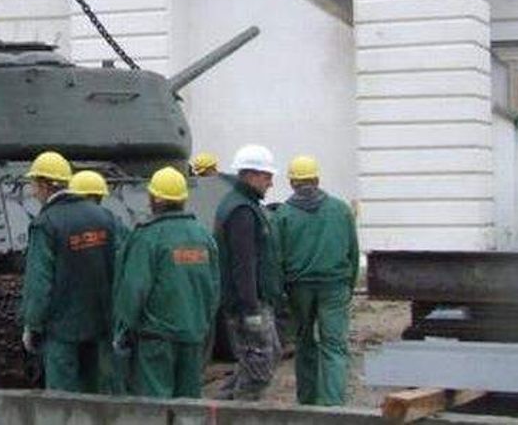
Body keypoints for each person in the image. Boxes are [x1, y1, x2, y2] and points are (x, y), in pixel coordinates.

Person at [113, 167, 220, 398]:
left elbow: (135, 289)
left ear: (156, 199)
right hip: (193, 335)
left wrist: (123, 330)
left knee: (156, 405)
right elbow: (214, 288)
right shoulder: (203, 237)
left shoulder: (148, 237)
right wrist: (201, 324)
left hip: (157, 339)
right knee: (189, 402)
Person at [20, 151, 117, 393]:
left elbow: (39, 282)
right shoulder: (104, 217)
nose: (33, 192)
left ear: (45, 185)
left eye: (34, 185)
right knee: (95, 393)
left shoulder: (46, 223)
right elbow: (119, 269)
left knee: (61, 399)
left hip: (62, 331)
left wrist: (32, 325)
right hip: (100, 326)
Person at [274, 155, 359, 406]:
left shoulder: (283, 215)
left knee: (304, 342)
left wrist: (282, 292)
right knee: (334, 345)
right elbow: (353, 253)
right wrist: (349, 287)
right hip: (335, 286)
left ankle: (307, 402)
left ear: (292, 182)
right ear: (317, 179)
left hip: (298, 288)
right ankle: (333, 405)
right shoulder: (341, 210)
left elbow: (277, 257)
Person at [213, 144, 283, 401]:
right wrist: (250, 309)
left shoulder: (244, 205)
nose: (271, 183)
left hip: (251, 300)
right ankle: (238, 412)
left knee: (263, 357)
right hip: (248, 304)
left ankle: (221, 407)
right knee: (259, 368)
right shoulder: (242, 211)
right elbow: (244, 263)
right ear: (251, 175)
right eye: (267, 176)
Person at [68, 169, 131, 393]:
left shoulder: (61, 223)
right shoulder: (114, 223)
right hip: (107, 307)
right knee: (109, 367)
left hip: (72, 312)